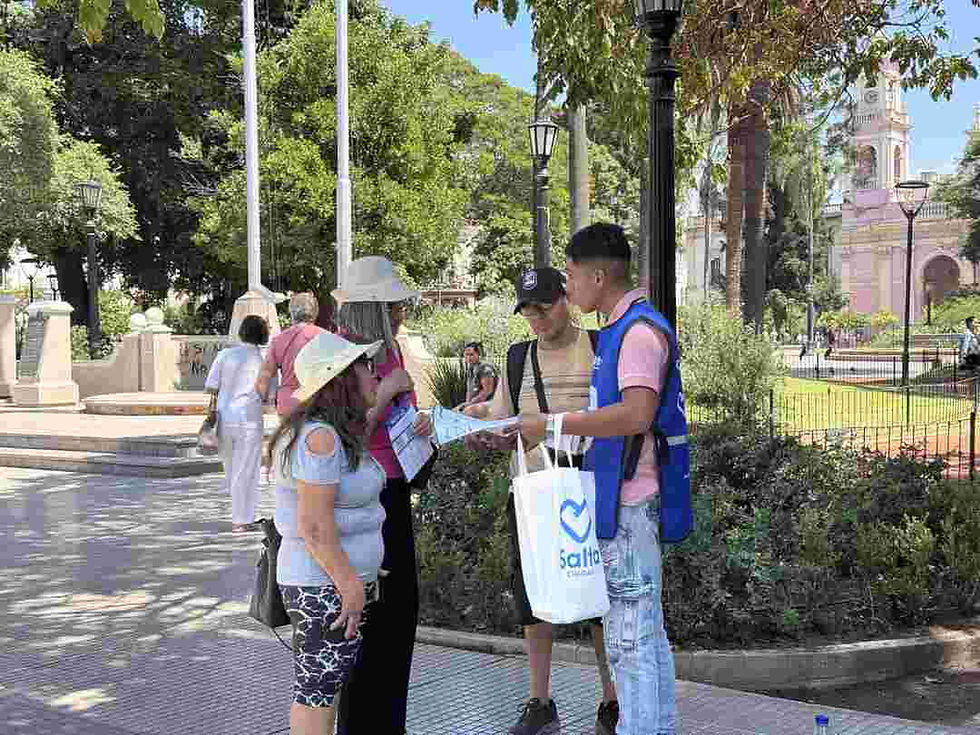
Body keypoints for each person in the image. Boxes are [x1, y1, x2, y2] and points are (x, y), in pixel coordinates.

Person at [513, 223, 692, 735]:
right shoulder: (623, 328)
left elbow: (636, 414)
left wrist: (550, 424)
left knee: (631, 644)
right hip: (623, 502)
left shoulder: (636, 332)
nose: (566, 285)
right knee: (641, 640)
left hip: (633, 505)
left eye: (570, 274)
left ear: (597, 275)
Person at [465, 266, 619, 735]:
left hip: (589, 489)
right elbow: (502, 418)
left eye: (545, 306)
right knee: (532, 596)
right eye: (528, 311)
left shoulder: (599, 346)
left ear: (567, 299)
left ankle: (612, 700)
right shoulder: (518, 358)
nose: (537, 318)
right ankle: (540, 701)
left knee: (599, 596)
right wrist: (478, 426)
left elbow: (616, 415)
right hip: (533, 495)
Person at [271, 330, 411, 735]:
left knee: (325, 686)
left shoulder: (331, 433)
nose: (374, 374)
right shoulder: (321, 438)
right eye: (366, 367)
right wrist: (350, 583)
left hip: (330, 581)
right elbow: (314, 528)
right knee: (317, 689)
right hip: (323, 585)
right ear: (342, 378)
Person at [332, 256, 433, 735]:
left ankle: (391, 725)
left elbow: (397, 426)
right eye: (393, 305)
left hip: (393, 495)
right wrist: (388, 390)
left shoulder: (390, 354)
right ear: (372, 307)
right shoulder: (337, 357)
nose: (401, 313)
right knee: (367, 625)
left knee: (399, 617)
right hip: (359, 506)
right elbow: (339, 439)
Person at [204, 315, 270, 532]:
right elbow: (268, 394)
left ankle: (240, 515)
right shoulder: (263, 361)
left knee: (231, 469)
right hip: (249, 420)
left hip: (224, 419)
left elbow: (211, 386)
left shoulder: (225, 355)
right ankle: (241, 520)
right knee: (247, 470)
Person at [255, 292, 324, 417]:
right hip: (318, 402)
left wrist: (262, 403)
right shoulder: (325, 338)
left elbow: (264, 378)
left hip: (288, 403)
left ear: (291, 314)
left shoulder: (279, 340)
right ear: (315, 313)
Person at [455, 341, 497, 410]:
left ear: (478, 354)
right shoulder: (470, 369)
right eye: (466, 354)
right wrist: (467, 403)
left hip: (489, 405)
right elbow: (469, 391)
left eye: (471, 355)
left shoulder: (485, 369)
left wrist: (470, 404)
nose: (468, 357)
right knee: (454, 411)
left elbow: (487, 391)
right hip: (474, 404)